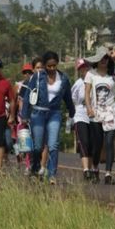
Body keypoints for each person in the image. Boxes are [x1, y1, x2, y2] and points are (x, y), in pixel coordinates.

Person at [21, 51, 75, 184]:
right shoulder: (37, 76)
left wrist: (72, 113)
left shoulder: (64, 78)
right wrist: (25, 115)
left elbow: (68, 97)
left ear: (57, 64)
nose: (51, 69)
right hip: (38, 113)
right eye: (49, 66)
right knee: (38, 146)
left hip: (54, 113)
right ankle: (35, 168)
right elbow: (28, 96)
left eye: (54, 66)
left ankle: (51, 175)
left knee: (53, 144)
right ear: (44, 65)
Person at [84, 46, 115, 185]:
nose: (104, 60)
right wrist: (89, 108)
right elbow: (87, 93)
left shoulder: (112, 74)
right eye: (101, 58)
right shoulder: (91, 74)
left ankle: (108, 173)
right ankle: (95, 168)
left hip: (111, 112)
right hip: (96, 112)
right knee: (97, 143)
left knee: (109, 142)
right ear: (96, 60)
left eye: (106, 58)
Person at [71, 58, 94, 180]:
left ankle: (91, 168)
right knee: (84, 141)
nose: (84, 70)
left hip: (94, 114)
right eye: (81, 68)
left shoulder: (94, 81)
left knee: (92, 143)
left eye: (86, 67)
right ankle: (86, 170)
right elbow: (73, 99)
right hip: (81, 114)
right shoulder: (78, 84)